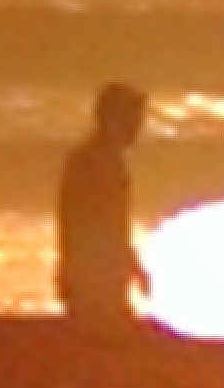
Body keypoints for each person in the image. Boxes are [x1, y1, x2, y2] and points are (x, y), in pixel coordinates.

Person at [55, 82, 153, 332]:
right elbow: (89, 222)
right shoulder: (93, 162)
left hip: (100, 272)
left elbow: (112, 224)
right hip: (94, 275)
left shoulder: (104, 160)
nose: (137, 129)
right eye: (133, 119)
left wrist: (131, 263)